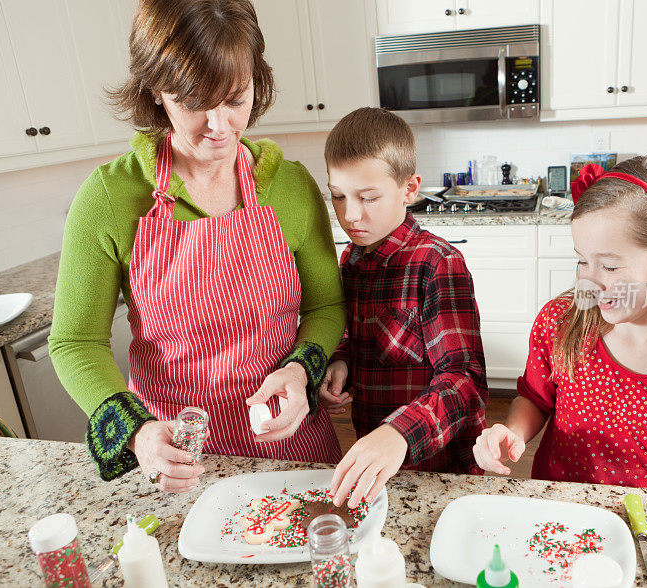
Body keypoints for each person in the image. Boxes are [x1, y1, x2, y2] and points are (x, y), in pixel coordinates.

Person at [48, 0, 345, 492]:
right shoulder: (109, 197)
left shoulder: (290, 187)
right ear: (155, 92)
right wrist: (141, 434)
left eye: (235, 98)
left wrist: (299, 371)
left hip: (291, 451)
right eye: (194, 102)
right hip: (179, 459)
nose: (219, 124)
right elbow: (75, 342)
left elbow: (326, 304)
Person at [473, 156, 647, 493]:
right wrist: (513, 432)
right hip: (558, 509)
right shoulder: (560, 324)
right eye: (582, 260)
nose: (590, 281)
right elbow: (535, 398)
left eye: (609, 266)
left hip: (646, 523)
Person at [318, 108, 488, 509]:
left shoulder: (437, 264)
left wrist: (398, 433)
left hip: (441, 468)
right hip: (379, 465)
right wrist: (342, 361)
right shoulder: (352, 262)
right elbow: (355, 337)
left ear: (409, 189)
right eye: (338, 196)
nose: (350, 214)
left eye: (369, 198)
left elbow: (464, 382)